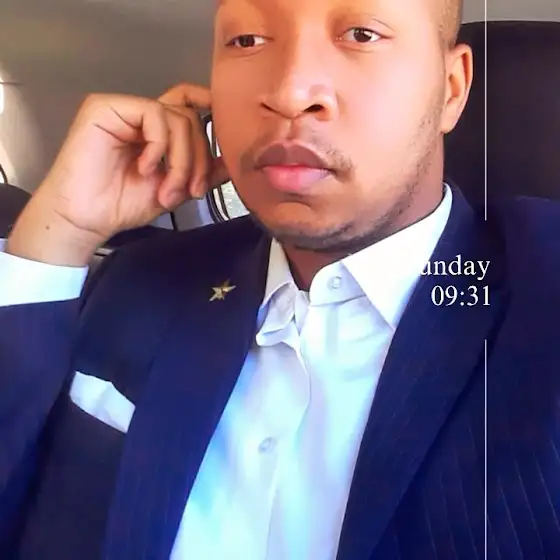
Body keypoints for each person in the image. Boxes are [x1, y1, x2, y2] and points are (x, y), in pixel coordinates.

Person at [0, 0, 559, 558]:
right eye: (246, 40)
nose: (289, 94)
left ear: (451, 90)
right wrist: (59, 233)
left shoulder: (540, 291)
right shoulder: (141, 283)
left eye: (361, 34)